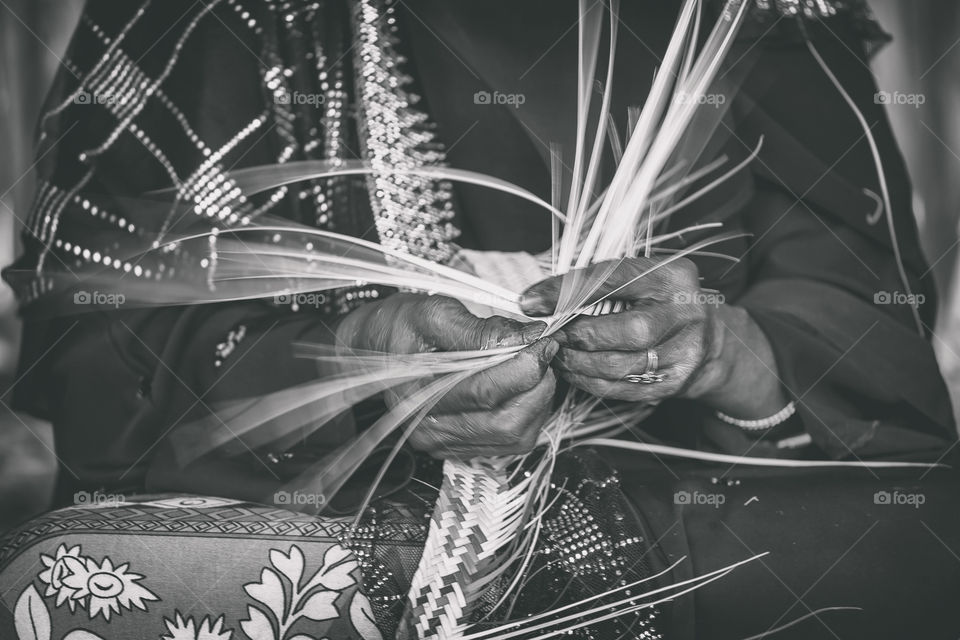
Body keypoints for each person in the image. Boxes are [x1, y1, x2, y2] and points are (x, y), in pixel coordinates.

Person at [3, 0, 958, 638]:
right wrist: (345, 367)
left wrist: (730, 353)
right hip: (339, 532)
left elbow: (870, 318)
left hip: (725, 527)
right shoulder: (212, 22)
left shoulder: (761, 18)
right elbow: (87, 339)